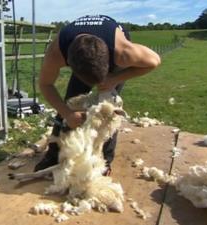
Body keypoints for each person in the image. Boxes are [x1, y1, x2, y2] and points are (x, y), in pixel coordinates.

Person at [34, 15, 161, 175]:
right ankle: (53, 154)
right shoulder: (56, 53)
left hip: (113, 58)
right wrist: (67, 114)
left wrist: (115, 79)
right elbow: (45, 84)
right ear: (70, 65)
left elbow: (154, 61)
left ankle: (104, 161)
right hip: (84, 58)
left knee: (108, 111)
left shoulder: (123, 52)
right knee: (71, 101)